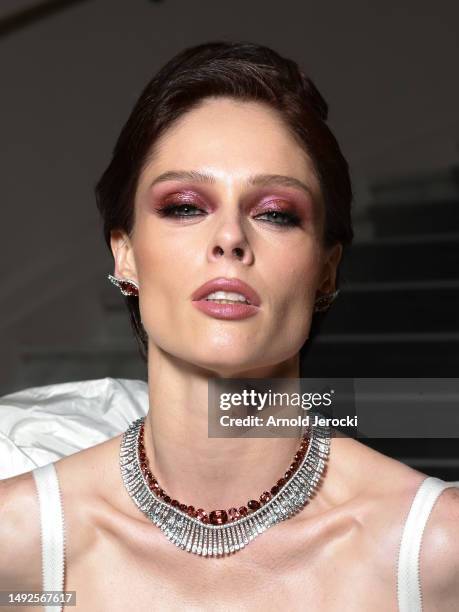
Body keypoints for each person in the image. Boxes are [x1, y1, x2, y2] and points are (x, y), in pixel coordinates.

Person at [1, 40, 458, 612]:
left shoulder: (435, 553)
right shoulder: (21, 548)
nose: (230, 237)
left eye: (276, 213)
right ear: (126, 254)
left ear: (325, 269)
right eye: (185, 206)